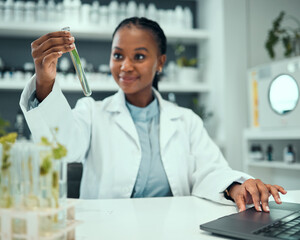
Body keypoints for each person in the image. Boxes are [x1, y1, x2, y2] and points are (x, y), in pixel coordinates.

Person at [20, 17, 286, 212]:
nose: (125, 66)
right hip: (108, 230)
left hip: (173, 228)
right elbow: (63, 147)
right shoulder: (92, 112)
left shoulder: (186, 120)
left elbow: (210, 171)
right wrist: (45, 80)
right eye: (117, 55)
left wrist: (236, 186)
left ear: (160, 62)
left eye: (139, 56)